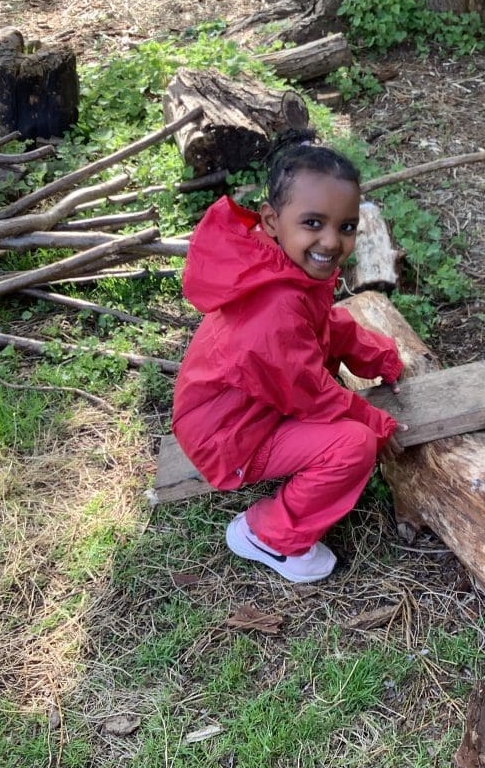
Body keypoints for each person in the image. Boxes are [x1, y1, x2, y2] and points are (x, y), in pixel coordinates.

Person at [172, 135, 406, 584]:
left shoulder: (286, 268)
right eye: (314, 222)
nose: (331, 241)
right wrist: (375, 422)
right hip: (228, 436)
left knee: (346, 422)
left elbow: (325, 325)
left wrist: (379, 357)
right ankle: (268, 536)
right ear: (272, 220)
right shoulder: (272, 312)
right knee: (352, 446)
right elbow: (309, 392)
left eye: (347, 227)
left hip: (246, 410)